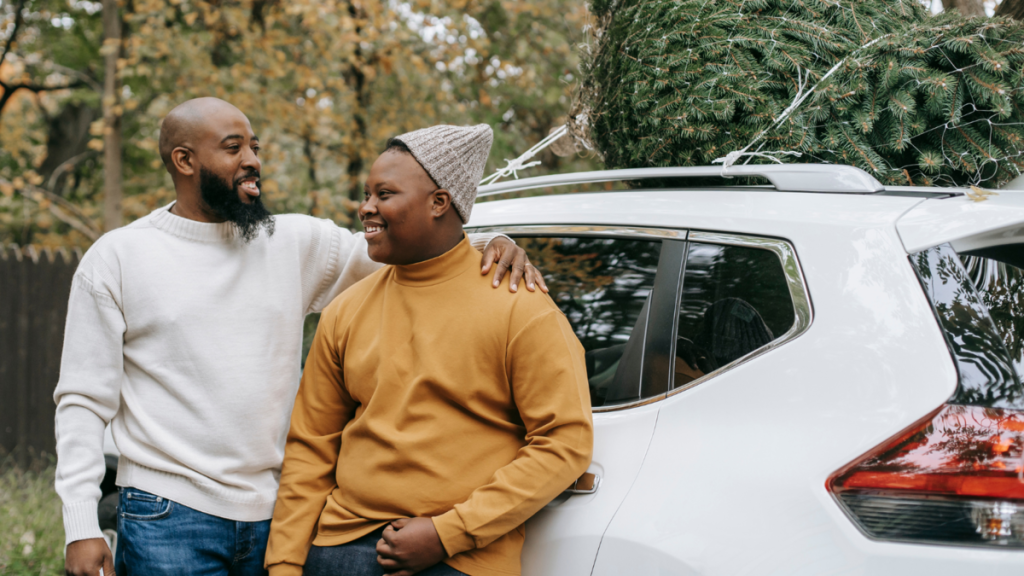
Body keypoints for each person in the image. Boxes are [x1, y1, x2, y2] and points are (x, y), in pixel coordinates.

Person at [56, 98, 547, 576]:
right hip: (168, 514)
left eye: (255, 147)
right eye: (233, 148)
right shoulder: (119, 258)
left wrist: (490, 243)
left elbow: (407, 247)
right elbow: (82, 399)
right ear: (184, 160)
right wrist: (81, 524)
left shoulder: (291, 241)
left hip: (279, 515)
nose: (253, 161)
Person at [265, 125, 594, 576]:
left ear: (439, 202)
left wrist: (447, 534)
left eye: (384, 194)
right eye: (366, 194)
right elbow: (311, 447)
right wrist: (284, 563)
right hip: (336, 550)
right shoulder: (345, 311)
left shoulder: (521, 307)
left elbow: (565, 443)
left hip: (457, 558)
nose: (366, 208)